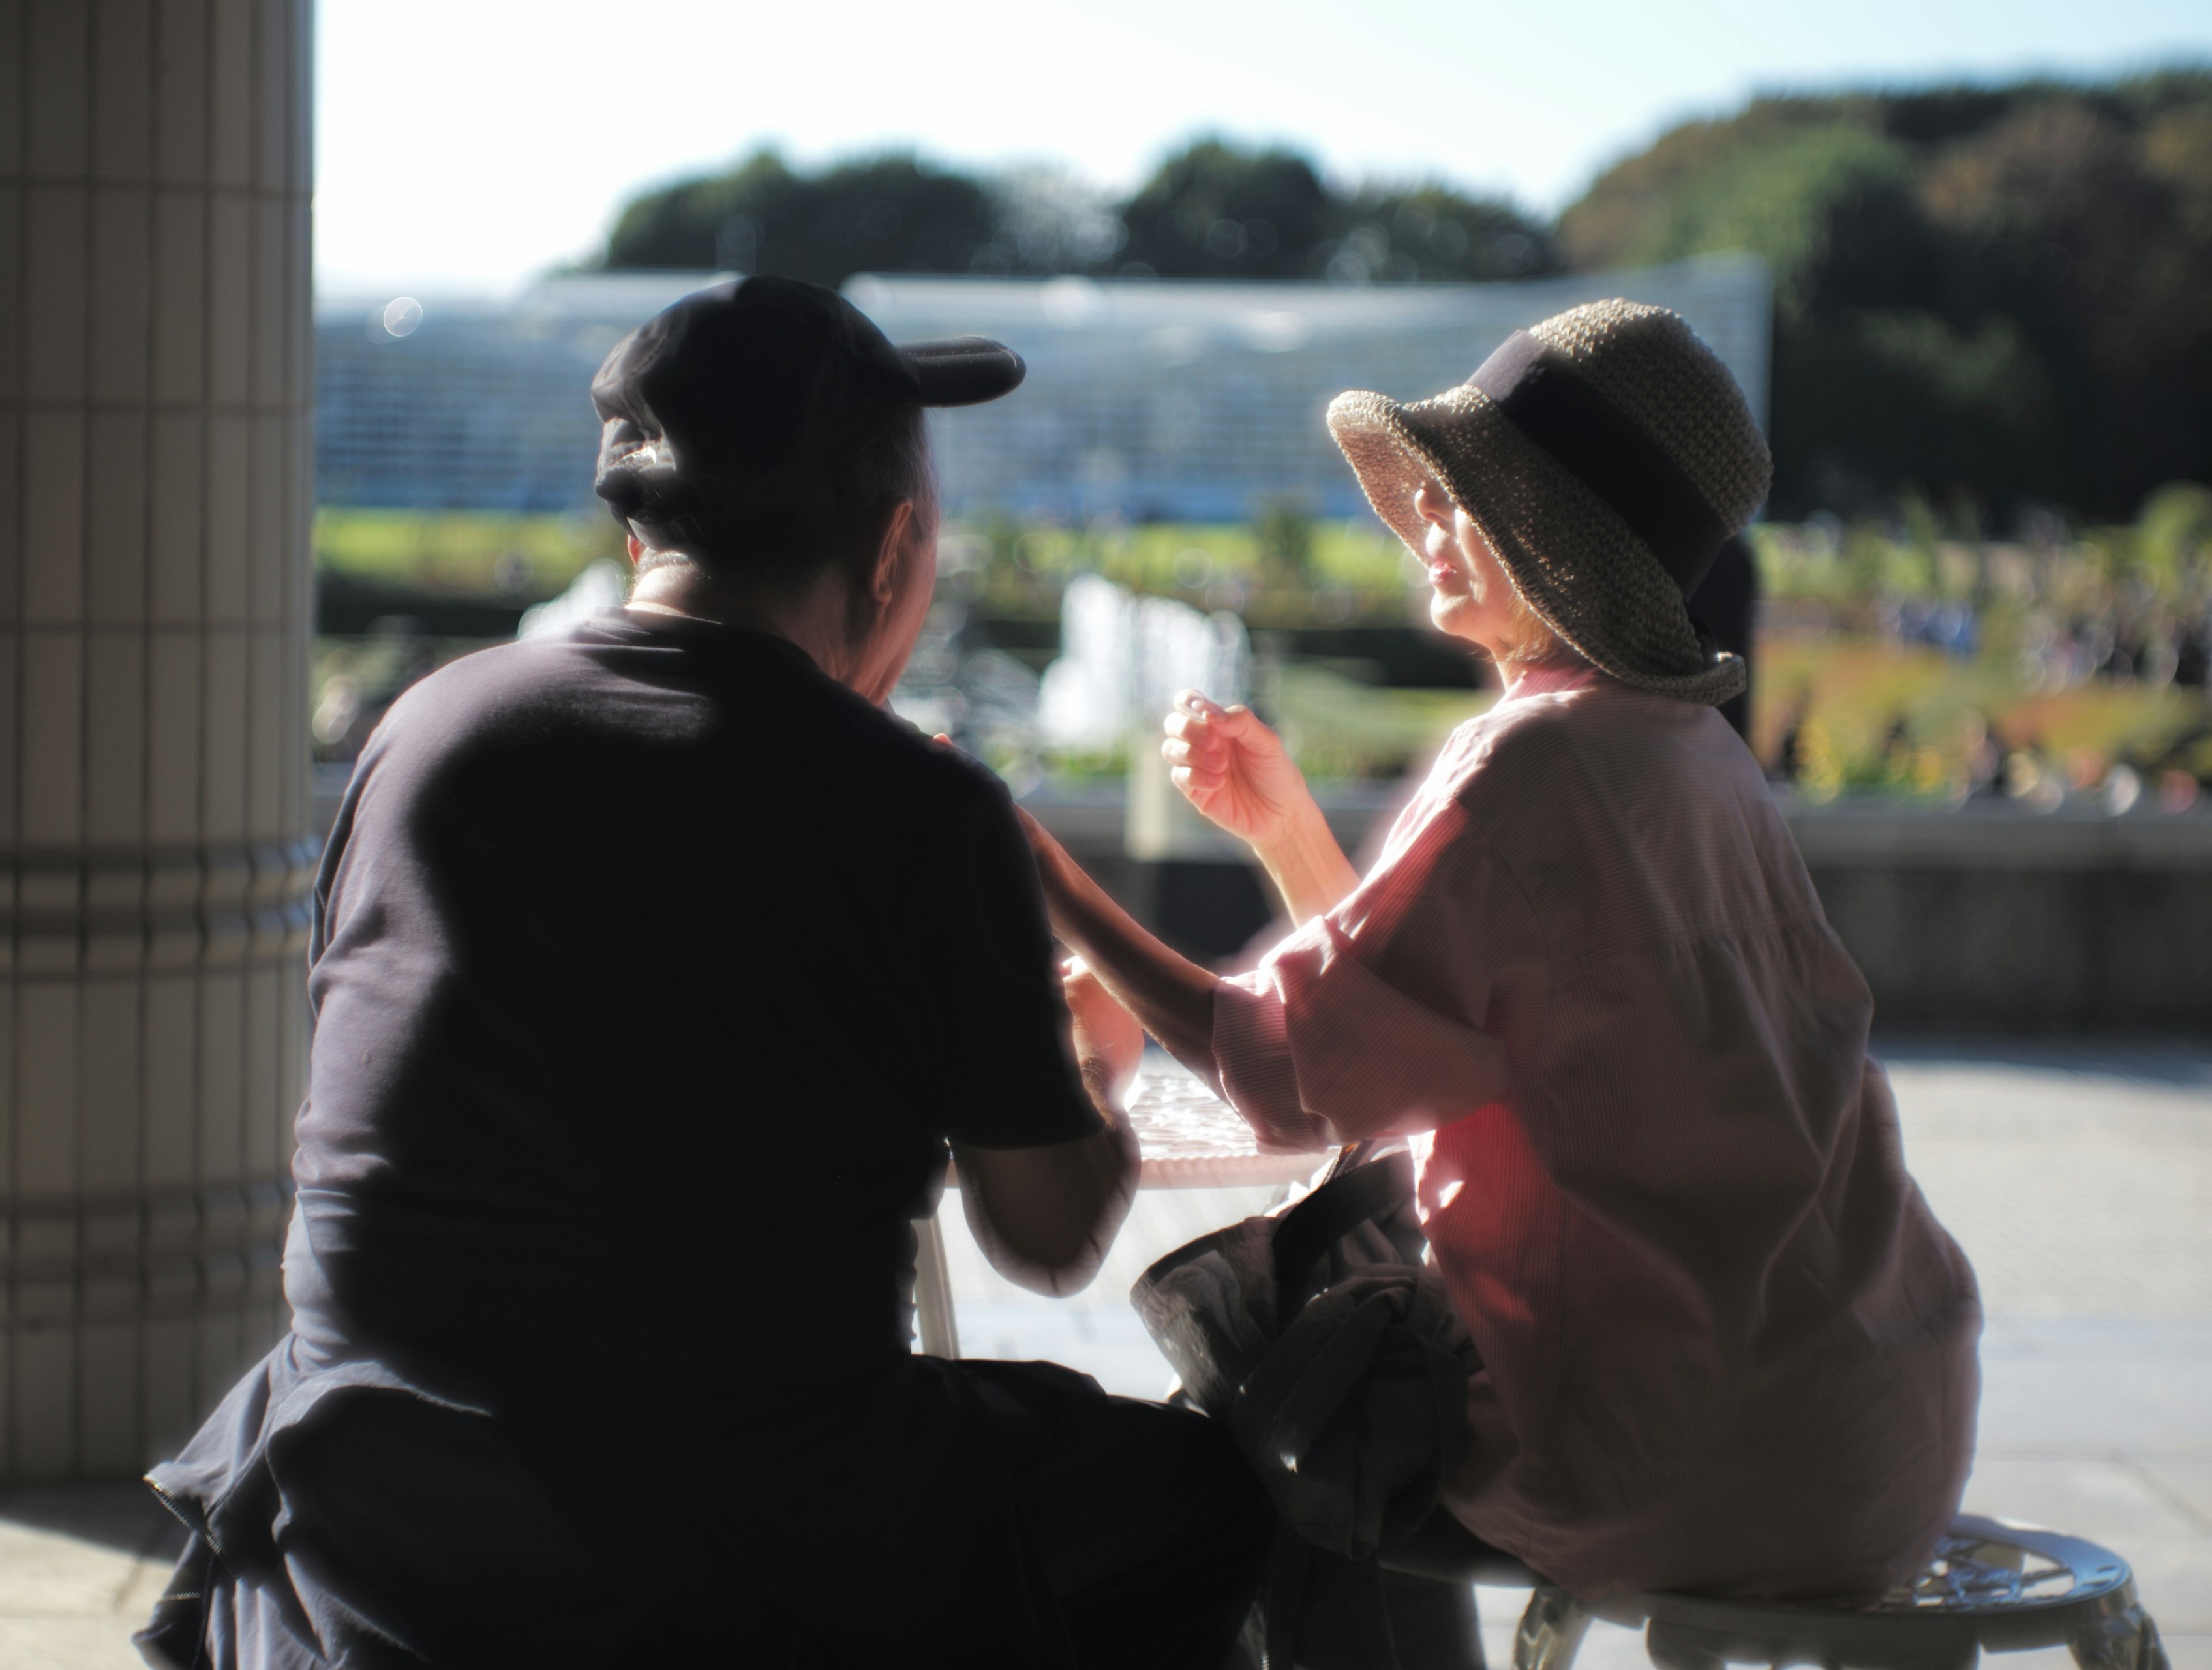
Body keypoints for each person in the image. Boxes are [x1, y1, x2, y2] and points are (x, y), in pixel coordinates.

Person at [134, 277, 1270, 1669]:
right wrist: (1083, 1055)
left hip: (363, 1530)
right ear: (897, 543)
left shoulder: (422, 733)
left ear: (631, 535)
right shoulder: (910, 809)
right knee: (1207, 1496)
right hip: (735, 1549)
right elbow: (1045, 1238)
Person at [1022, 303, 1982, 1635]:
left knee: (1283, 1435)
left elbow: (1288, 1077)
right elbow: (1413, 1035)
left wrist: (1046, 879)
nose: (1423, 515)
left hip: (1680, 1457)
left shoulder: (1529, 760)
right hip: (1877, 1432)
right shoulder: (1688, 754)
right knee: (1346, 1409)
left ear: (1553, 540)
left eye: (1463, 491)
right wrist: (1289, 833)